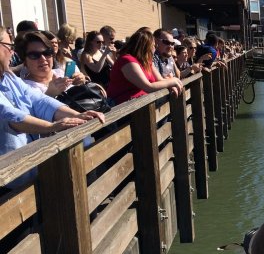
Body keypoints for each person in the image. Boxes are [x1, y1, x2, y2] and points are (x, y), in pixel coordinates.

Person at [0, 27, 105, 187]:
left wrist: (76, 115)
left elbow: (39, 101)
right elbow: (9, 115)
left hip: (31, 170)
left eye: (47, 52)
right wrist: (51, 126)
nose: (12, 52)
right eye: (9, 46)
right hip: (9, 180)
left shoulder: (9, 78)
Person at [106, 27, 183, 104]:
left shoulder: (147, 61)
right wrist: (173, 81)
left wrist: (170, 83)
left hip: (141, 105)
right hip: (122, 107)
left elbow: (160, 80)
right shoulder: (127, 60)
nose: (154, 49)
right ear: (145, 46)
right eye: (153, 46)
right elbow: (148, 87)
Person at [17, 31, 87, 97]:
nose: (43, 59)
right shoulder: (23, 89)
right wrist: (49, 94)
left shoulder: (61, 73)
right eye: (34, 55)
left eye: (47, 53)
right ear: (24, 60)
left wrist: (81, 81)